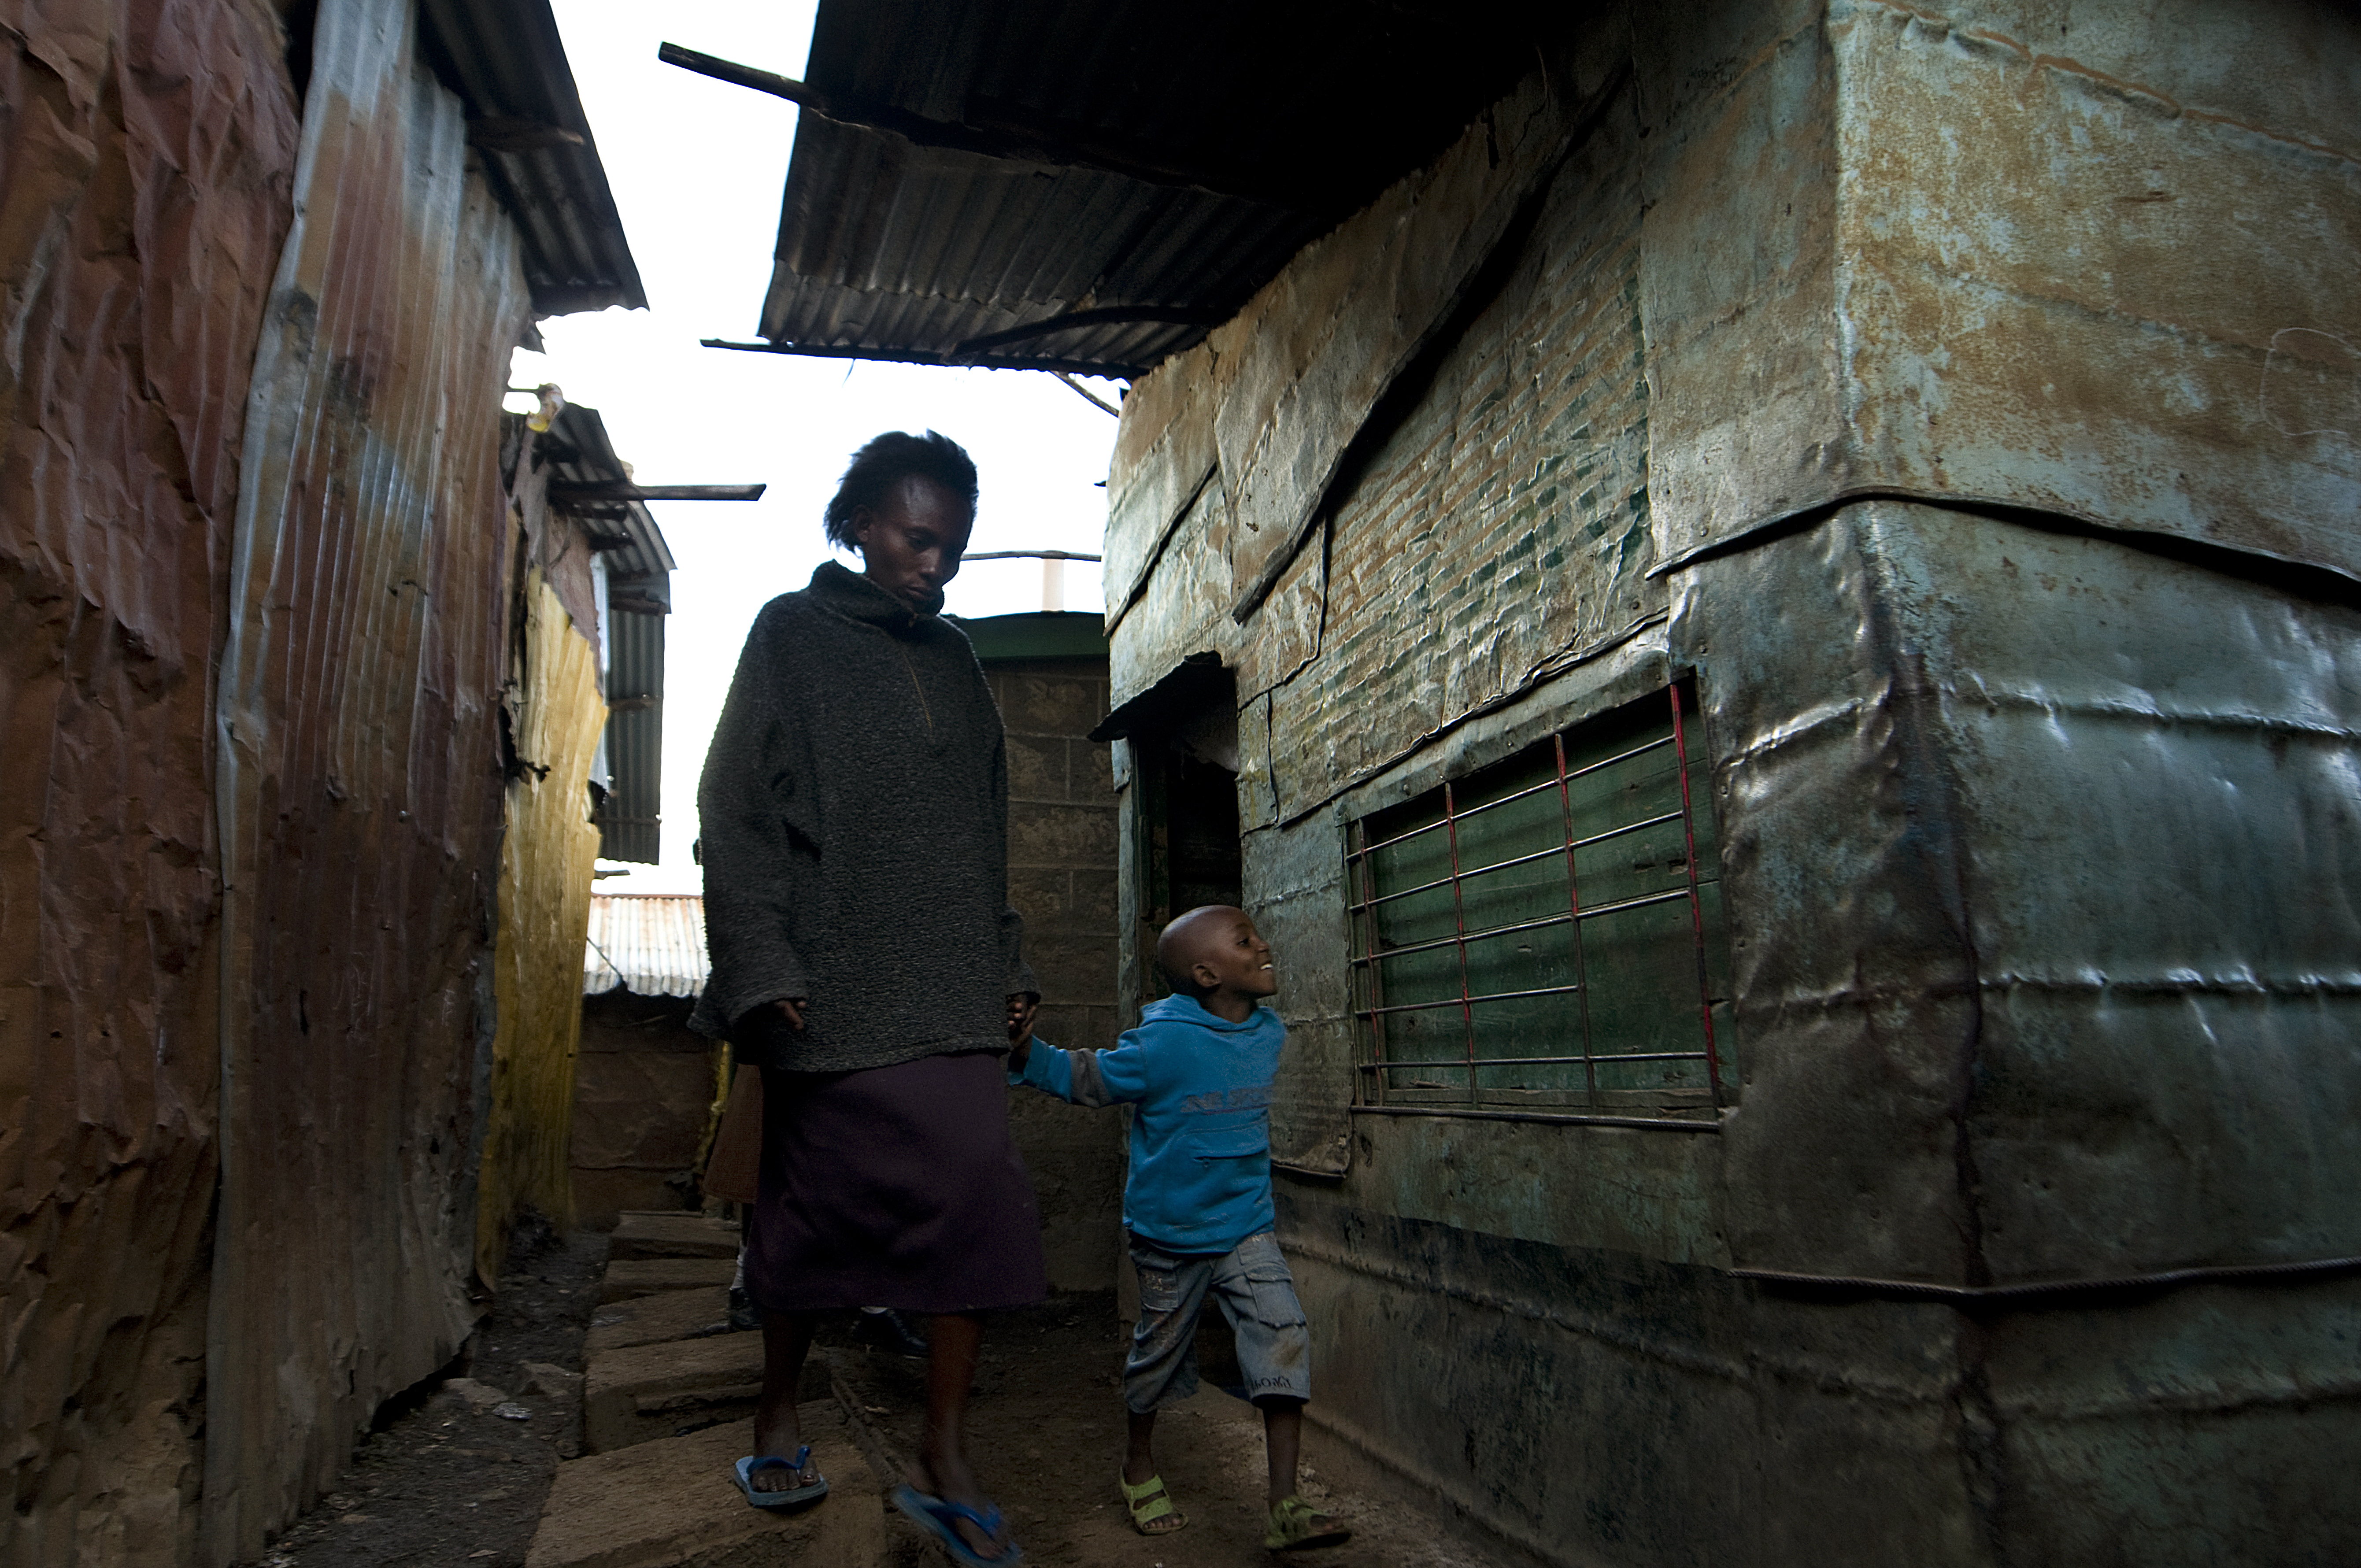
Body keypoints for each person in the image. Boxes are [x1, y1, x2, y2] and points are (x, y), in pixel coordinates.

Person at [692, 430, 1041, 1565]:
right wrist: (760, 963)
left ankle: (943, 1453)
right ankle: (776, 1411)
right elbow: (733, 806)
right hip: (827, 982)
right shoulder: (789, 634)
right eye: (915, 538)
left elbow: (988, 829)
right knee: (808, 1211)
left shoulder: (957, 662)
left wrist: (1008, 966)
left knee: (978, 1197)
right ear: (858, 525)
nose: (935, 565)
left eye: (954, 548)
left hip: (951, 980)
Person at [1006, 905, 1352, 1552]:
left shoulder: (1268, 1034)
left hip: (1246, 1227)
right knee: (1160, 1356)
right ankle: (1138, 1464)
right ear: (1207, 974)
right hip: (1168, 1235)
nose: (1264, 945)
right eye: (1245, 940)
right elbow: (1091, 1078)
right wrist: (1026, 1051)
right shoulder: (1161, 1044)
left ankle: (1285, 1505)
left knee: (1284, 1337)